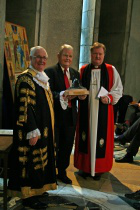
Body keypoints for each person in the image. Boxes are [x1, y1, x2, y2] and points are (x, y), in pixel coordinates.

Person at [8, 46, 57, 209]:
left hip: (44, 129)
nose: (42, 60)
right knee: (31, 162)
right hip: (32, 131)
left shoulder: (42, 78)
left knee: (42, 160)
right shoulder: (26, 79)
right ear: (30, 58)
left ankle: (39, 189)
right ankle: (28, 196)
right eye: (38, 57)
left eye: (44, 57)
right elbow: (25, 107)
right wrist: (32, 130)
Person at [74, 42, 123, 179]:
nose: (98, 56)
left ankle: (99, 169)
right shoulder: (83, 70)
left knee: (100, 139)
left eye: (100, 54)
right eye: (95, 53)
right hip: (87, 110)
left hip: (103, 113)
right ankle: (85, 167)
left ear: (104, 55)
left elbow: (118, 89)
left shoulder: (110, 70)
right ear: (91, 54)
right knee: (86, 136)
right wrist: (80, 94)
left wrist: (109, 98)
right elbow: (77, 87)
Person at [45, 44, 80, 184]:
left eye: (70, 56)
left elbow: (78, 91)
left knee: (66, 146)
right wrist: (61, 95)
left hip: (71, 116)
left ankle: (62, 171)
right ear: (58, 56)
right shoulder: (50, 72)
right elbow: (48, 93)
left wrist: (80, 96)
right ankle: (50, 173)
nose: (68, 58)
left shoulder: (75, 73)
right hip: (56, 116)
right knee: (54, 145)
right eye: (65, 55)